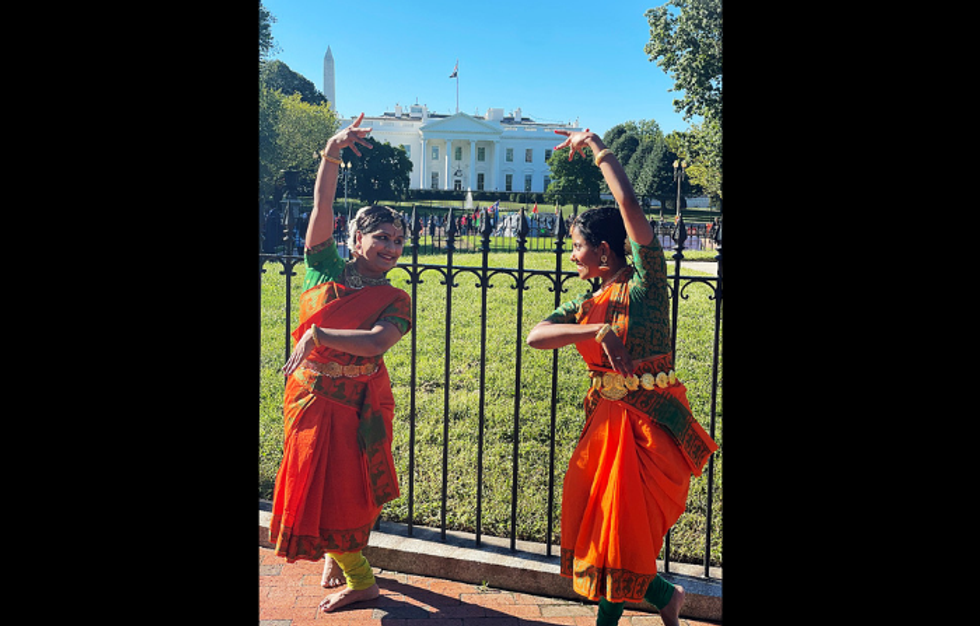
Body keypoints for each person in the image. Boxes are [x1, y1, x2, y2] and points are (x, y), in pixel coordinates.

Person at [526, 129, 718, 626]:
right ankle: (663, 598)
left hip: (651, 426)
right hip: (606, 424)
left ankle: (637, 608)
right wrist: (597, 329)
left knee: (627, 527)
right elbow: (536, 337)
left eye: (576, 246)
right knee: (609, 524)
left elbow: (629, 202)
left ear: (605, 250)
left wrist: (598, 149)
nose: (571, 255)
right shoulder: (584, 304)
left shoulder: (648, 285)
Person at [270, 113, 413, 614]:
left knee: (350, 491)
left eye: (398, 242)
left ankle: (358, 576)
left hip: (358, 405)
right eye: (382, 239)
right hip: (309, 397)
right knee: (316, 481)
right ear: (356, 239)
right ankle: (342, 556)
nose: (392, 249)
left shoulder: (395, 298)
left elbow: (376, 344)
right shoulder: (324, 267)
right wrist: (332, 150)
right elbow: (322, 204)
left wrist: (318, 332)